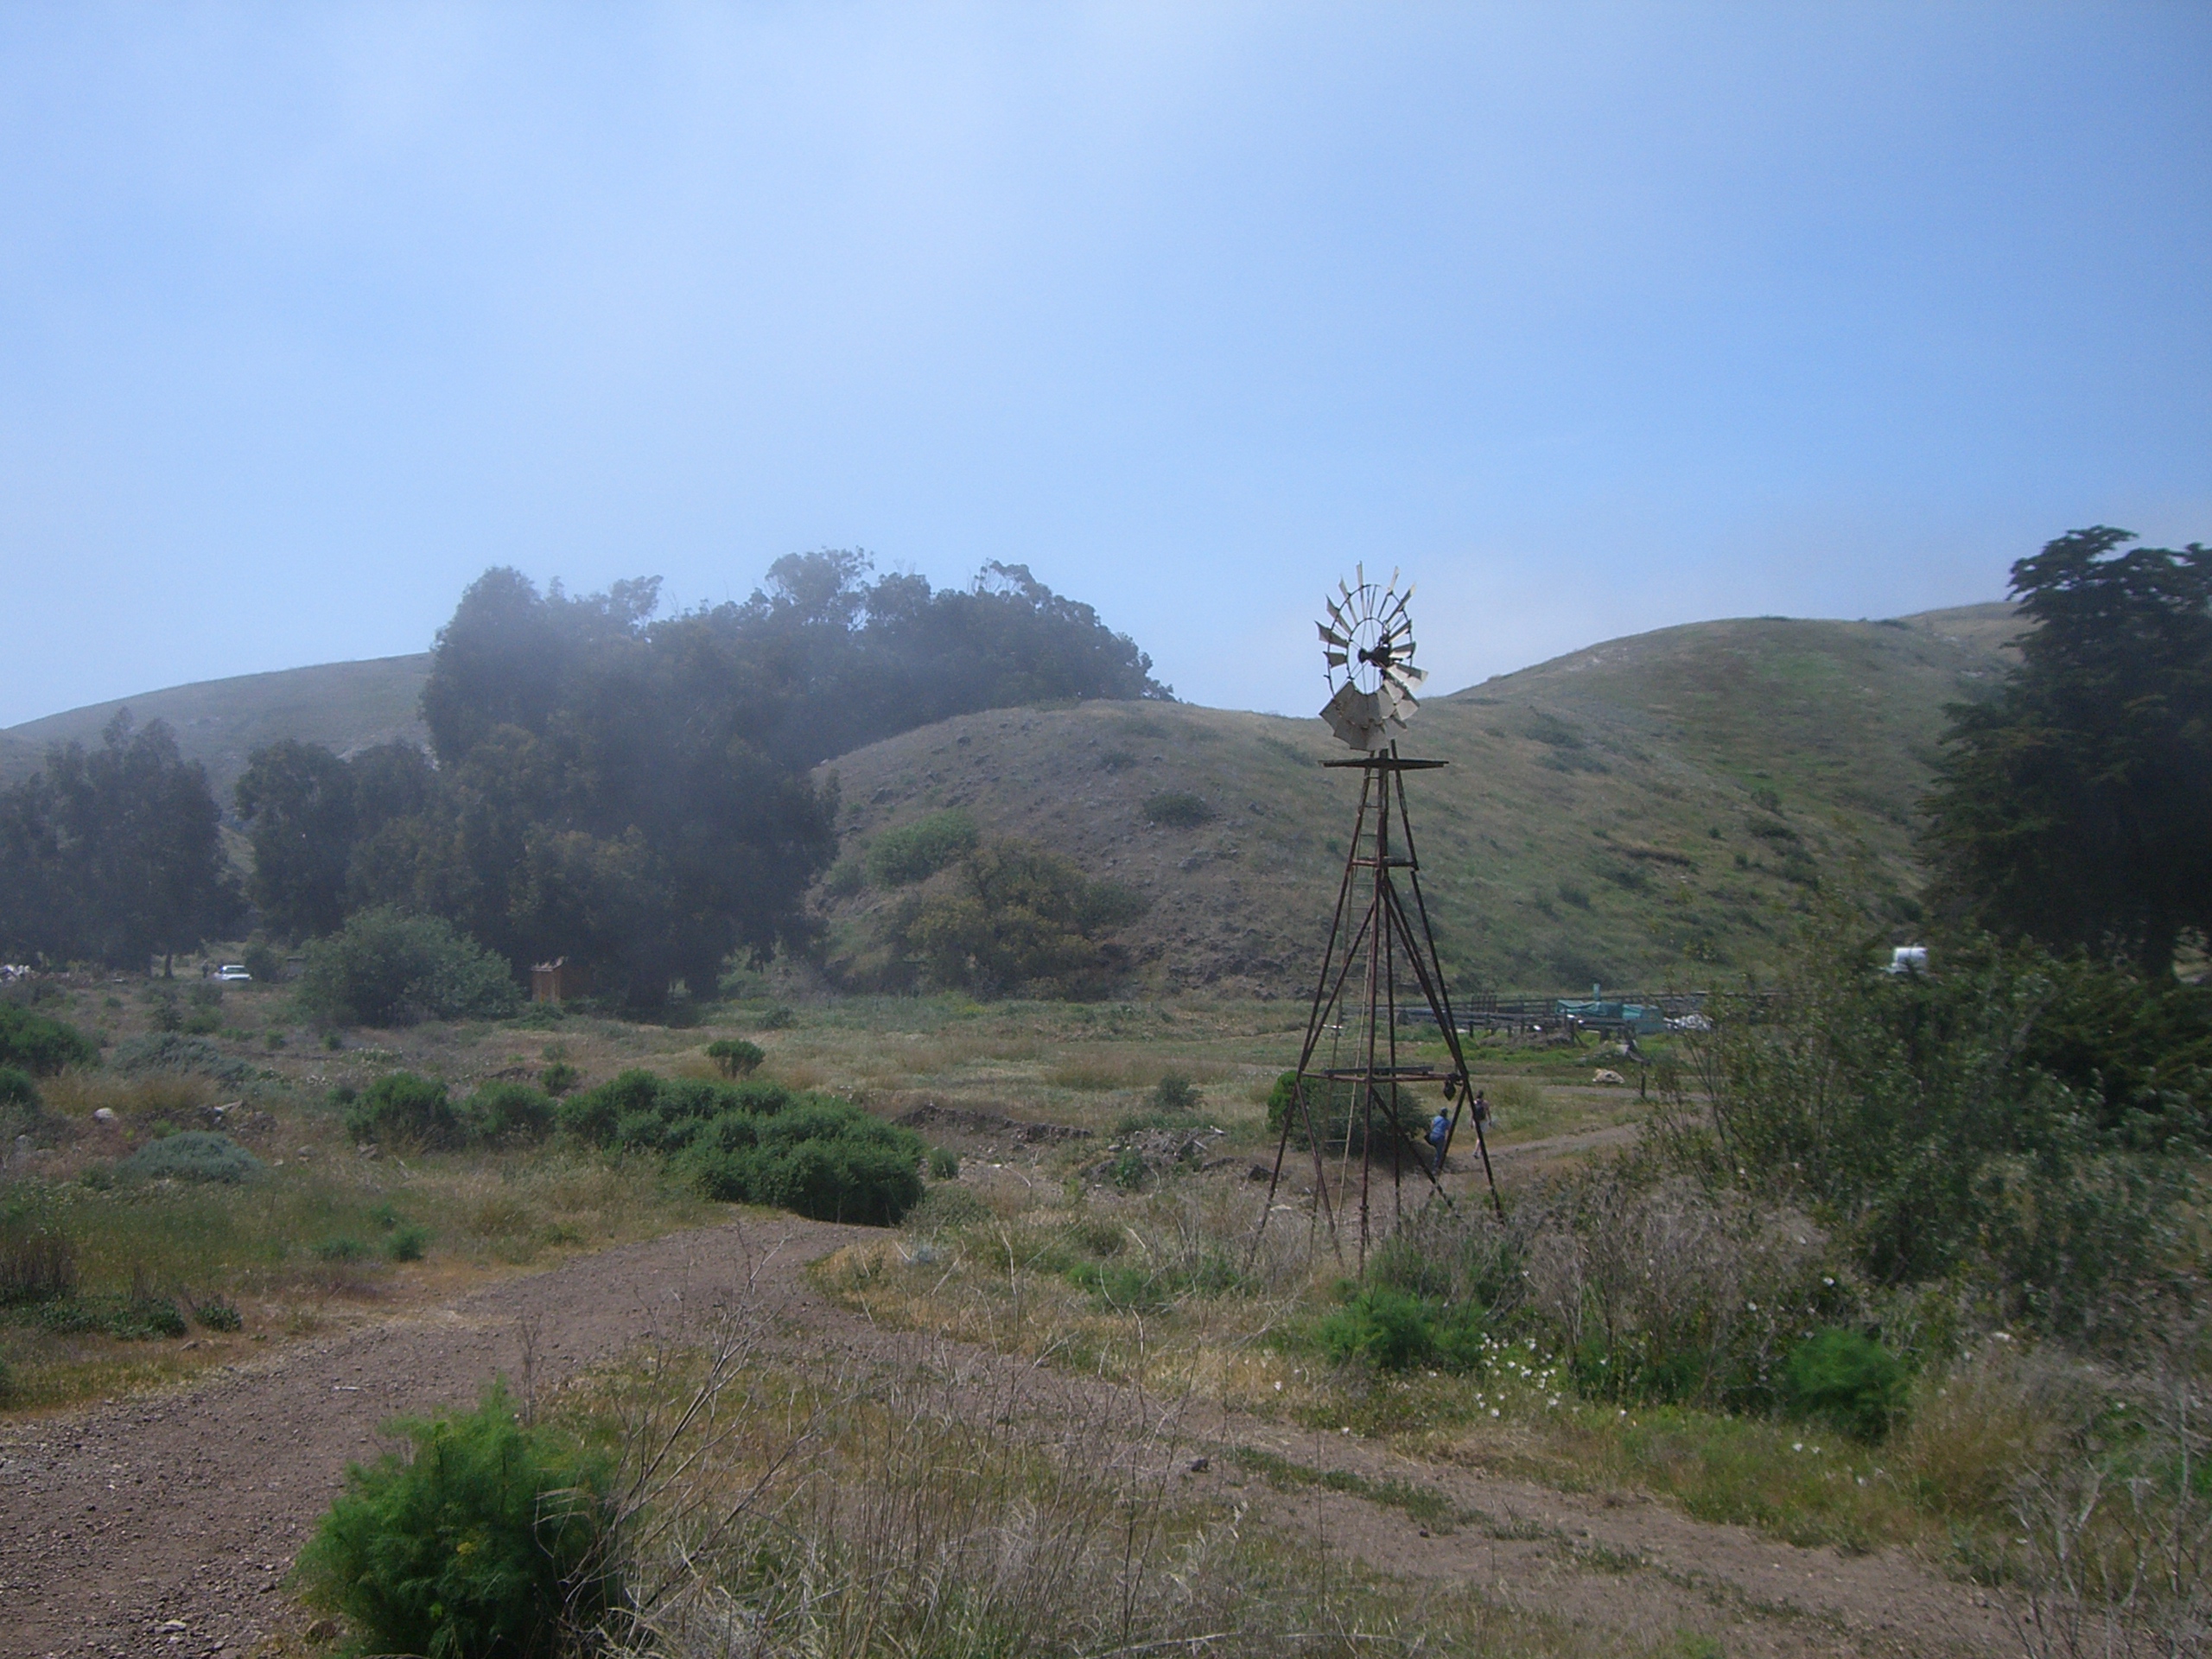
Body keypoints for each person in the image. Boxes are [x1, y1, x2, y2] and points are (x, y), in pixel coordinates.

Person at [1427, 1105, 1451, 1173]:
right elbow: (1449, 1130)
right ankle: (1435, 1168)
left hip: (1432, 1136)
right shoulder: (1447, 1121)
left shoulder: (1436, 1118)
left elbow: (1431, 1126)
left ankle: (1437, 1165)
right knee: (1439, 1153)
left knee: (1437, 1148)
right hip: (1440, 1137)